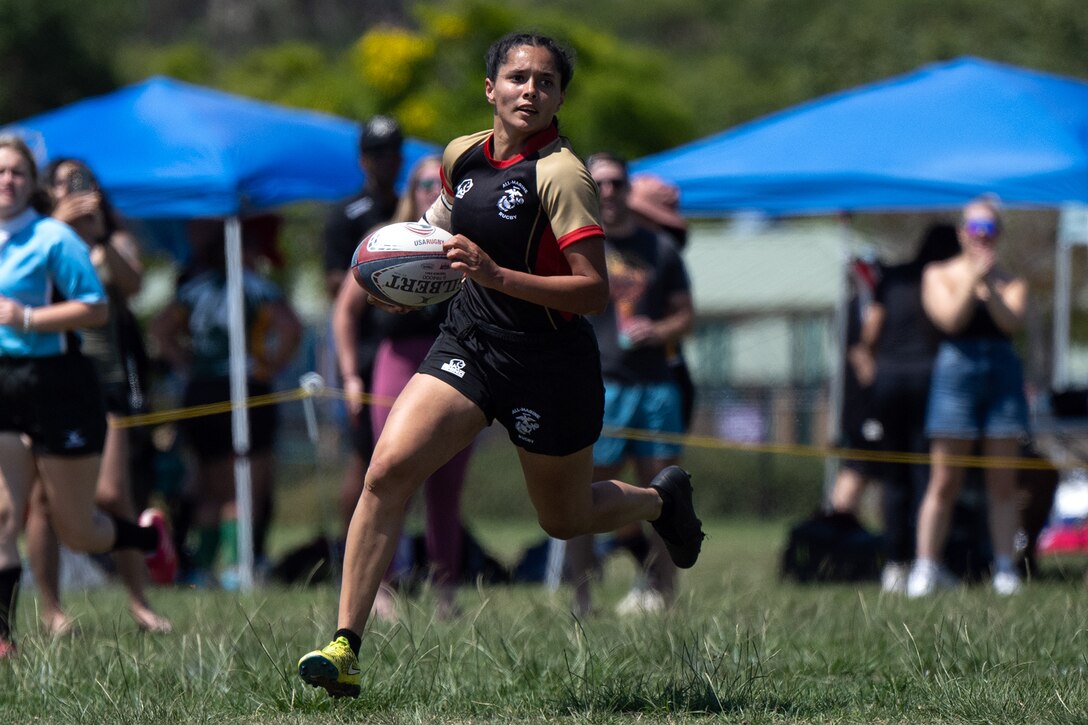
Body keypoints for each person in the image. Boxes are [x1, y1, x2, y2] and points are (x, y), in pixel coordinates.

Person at [297, 32, 705, 698]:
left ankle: (662, 500)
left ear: (559, 97)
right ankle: (346, 644)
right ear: (491, 88)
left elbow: (593, 290)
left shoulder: (562, 174)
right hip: (471, 343)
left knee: (564, 517)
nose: (530, 90)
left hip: (550, 362)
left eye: (546, 81)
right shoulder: (460, 156)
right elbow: (440, 222)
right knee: (387, 469)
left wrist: (498, 275)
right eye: (517, 77)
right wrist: (409, 278)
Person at [0, 134, 174, 656]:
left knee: (77, 527)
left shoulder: (54, 238)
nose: (6, 180)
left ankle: (144, 538)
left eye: (16, 173)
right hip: (3, 383)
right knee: (6, 516)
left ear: (31, 186)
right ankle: (4, 640)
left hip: (59, 384)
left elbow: (96, 308)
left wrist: (26, 317)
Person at [331, 155, 472, 621]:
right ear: (410, 190)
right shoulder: (389, 243)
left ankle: (445, 592)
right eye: (424, 182)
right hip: (396, 364)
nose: (432, 188)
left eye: (441, 182)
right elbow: (345, 311)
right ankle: (383, 592)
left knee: (446, 489)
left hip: (454, 363)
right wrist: (351, 374)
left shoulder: (467, 246)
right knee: (390, 478)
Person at [564, 152, 694, 616]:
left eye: (619, 183)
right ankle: (581, 597)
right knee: (580, 496)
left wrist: (659, 331)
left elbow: (686, 314)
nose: (611, 192)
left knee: (662, 491)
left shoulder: (660, 249)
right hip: (598, 385)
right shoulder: (577, 246)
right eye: (601, 183)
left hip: (655, 384)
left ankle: (664, 595)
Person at [151, 218, 302, 586]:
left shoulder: (192, 290)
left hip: (201, 390)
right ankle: (238, 569)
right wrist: (269, 365)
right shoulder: (259, 288)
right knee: (244, 485)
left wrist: (185, 362)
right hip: (245, 389)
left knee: (206, 486)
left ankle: (202, 570)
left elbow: (160, 330)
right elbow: (291, 329)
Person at [907, 198, 1029, 597]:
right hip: (955, 370)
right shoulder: (937, 273)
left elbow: (1010, 324)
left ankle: (1006, 568)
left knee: (1002, 480)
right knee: (944, 478)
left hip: (1001, 372)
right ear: (962, 232)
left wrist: (990, 288)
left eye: (989, 230)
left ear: (1000, 234)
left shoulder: (1013, 281)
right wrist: (972, 279)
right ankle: (926, 567)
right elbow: (950, 319)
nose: (981, 237)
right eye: (974, 229)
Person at [856, 223, 960, 593]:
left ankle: (896, 562)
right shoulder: (944, 279)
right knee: (925, 477)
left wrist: (872, 371)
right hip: (928, 382)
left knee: (894, 477)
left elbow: (870, 331)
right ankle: (924, 561)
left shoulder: (895, 276)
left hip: (888, 383)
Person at [322, 116, 403, 539]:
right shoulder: (347, 214)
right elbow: (334, 282)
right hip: (366, 346)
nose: (385, 162)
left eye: (392, 153)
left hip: (408, 346)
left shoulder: (412, 208)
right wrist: (380, 276)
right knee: (365, 455)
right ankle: (349, 544)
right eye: (376, 154)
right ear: (362, 159)